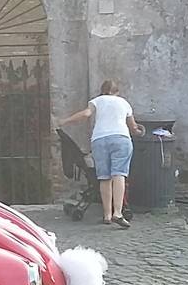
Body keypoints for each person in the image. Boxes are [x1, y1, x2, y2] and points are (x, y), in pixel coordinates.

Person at [59, 79, 145, 228]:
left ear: (102, 91)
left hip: (100, 140)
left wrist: (65, 121)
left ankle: (107, 215)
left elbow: (86, 114)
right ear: (117, 92)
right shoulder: (123, 103)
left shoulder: (97, 101)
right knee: (119, 175)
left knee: (104, 177)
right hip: (121, 139)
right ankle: (118, 213)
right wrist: (139, 131)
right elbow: (133, 128)